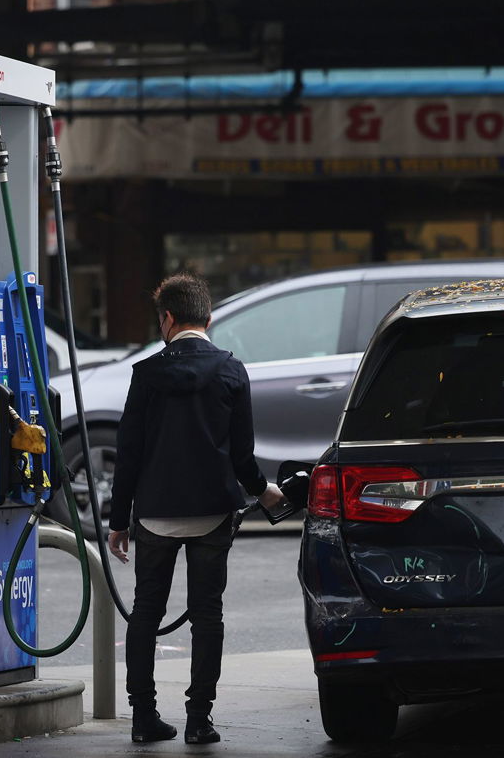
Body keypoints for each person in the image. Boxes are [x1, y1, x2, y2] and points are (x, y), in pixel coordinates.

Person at [106, 273, 285, 745]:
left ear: (167, 318)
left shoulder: (145, 374)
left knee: (146, 612)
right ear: (207, 318)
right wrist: (264, 492)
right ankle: (199, 719)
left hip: (155, 516)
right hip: (212, 513)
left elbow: (129, 452)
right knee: (208, 614)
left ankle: (144, 718)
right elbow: (242, 455)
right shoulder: (231, 370)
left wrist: (117, 520)